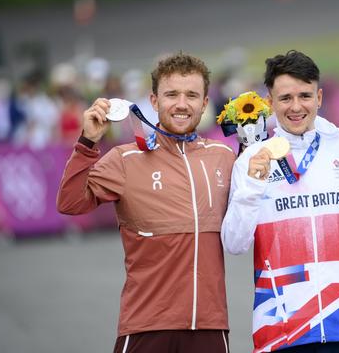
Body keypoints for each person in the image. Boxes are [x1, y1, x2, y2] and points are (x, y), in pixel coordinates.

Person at [56, 52, 235, 353]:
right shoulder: (125, 159)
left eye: (192, 95)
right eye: (171, 94)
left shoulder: (224, 156)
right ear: (153, 101)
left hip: (209, 326)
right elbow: (70, 203)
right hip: (146, 327)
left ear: (205, 103)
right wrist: (88, 142)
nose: (181, 104)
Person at [221, 50, 339, 352]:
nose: (296, 107)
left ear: (319, 97)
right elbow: (234, 243)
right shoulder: (251, 161)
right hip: (280, 330)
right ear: (270, 102)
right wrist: (252, 188)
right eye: (285, 98)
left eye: (305, 96)